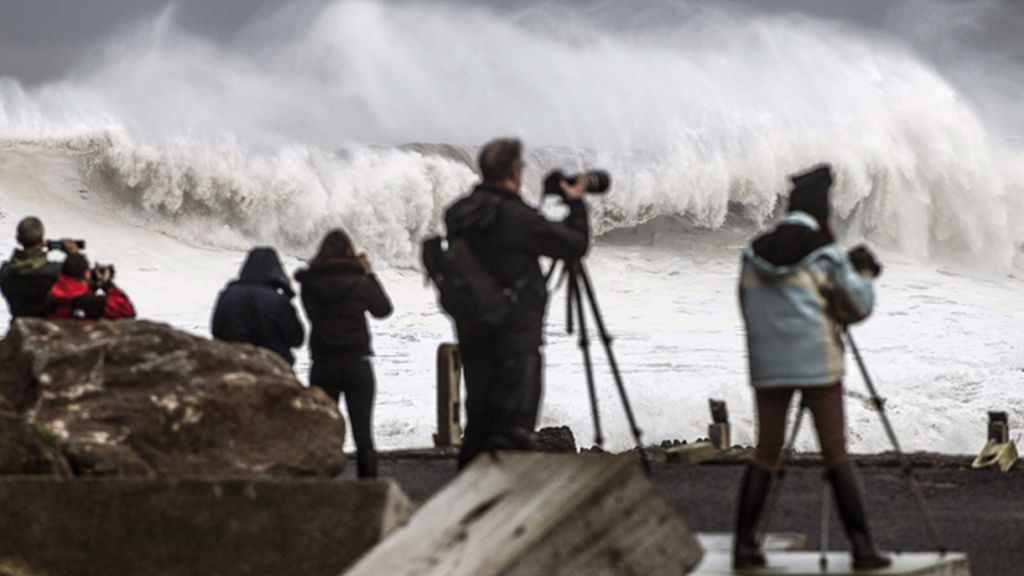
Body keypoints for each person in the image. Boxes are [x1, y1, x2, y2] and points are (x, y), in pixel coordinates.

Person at [734, 164, 889, 570]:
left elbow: (745, 304)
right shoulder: (827, 253)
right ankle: (862, 549)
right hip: (818, 365)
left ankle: (744, 547)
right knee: (835, 452)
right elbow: (857, 306)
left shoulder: (754, 251)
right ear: (822, 210)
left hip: (768, 367)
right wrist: (866, 273)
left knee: (766, 452)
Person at [445, 138, 590, 470]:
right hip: (514, 339)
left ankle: (464, 503)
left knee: (479, 425)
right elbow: (574, 244)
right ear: (514, 171)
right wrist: (577, 204)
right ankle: (505, 505)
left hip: (473, 331)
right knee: (514, 430)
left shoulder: (461, 213)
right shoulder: (516, 217)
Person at [295, 230, 392, 478]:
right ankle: (370, 494)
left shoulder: (309, 284)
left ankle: (323, 493)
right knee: (363, 434)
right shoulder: (359, 282)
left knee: (324, 434)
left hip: (324, 364)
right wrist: (368, 274)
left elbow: (311, 314)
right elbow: (383, 309)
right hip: (356, 363)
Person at [211, 247, 304, 365]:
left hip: (231, 364)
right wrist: (288, 296)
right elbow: (297, 339)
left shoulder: (228, 294)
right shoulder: (277, 300)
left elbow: (216, 330)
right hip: (270, 368)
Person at [0, 217, 74, 321]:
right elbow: (79, 284)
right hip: (45, 330)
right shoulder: (55, 271)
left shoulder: (5, 271)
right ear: (41, 240)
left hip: (17, 328)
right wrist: (73, 255)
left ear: (18, 239)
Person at [48, 253, 136, 320]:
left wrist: (94, 283)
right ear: (86, 273)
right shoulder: (94, 304)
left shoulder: (49, 291)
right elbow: (127, 311)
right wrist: (107, 284)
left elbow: (72, 289)